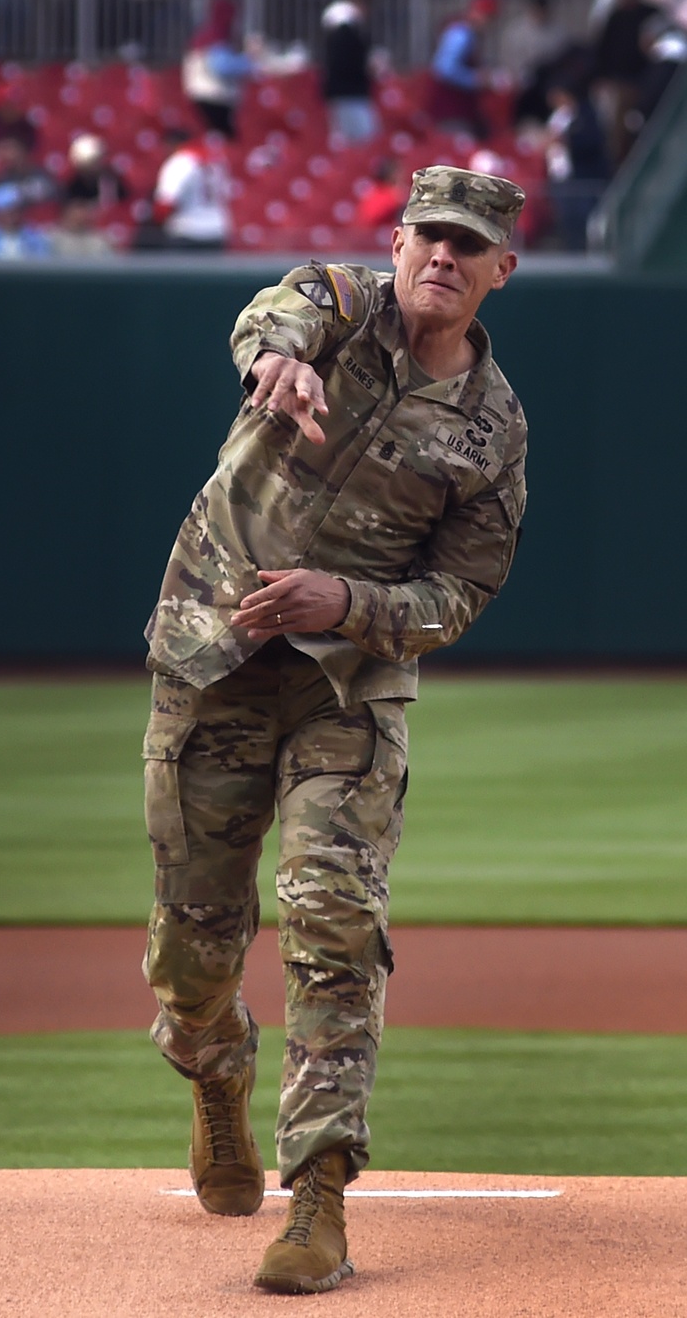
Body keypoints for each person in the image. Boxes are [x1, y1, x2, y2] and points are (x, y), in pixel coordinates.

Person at [141, 164, 527, 1296]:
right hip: (210, 656)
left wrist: (347, 604)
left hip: (344, 691)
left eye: (467, 246)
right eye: (427, 236)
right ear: (397, 242)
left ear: (501, 272)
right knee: (190, 950)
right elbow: (271, 315)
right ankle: (215, 1072)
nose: (441, 258)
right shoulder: (336, 306)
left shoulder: (493, 431)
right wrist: (277, 358)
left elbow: (458, 595)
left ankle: (317, 1199)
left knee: (333, 920)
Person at [591, 0, 658, 165]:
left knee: (643, 128)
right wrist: (601, 78)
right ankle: (618, 168)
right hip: (620, 83)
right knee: (617, 132)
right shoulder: (615, 17)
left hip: (647, 83)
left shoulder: (650, 13)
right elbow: (602, 51)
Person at [543, 78, 610, 250]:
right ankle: (569, 247)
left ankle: (585, 249)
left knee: (583, 217)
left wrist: (566, 140)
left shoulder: (586, 115)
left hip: (583, 178)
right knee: (566, 218)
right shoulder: (556, 118)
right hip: (560, 176)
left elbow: (593, 142)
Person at [142, 126, 232, 250]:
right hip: (217, 232)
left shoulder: (179, 162)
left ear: (172, 144)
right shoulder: (215, 162)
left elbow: (164, 205)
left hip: (187, 233)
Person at [182, 0, 258, 139]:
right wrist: (251, 58)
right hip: (214, 100)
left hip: (203, 97)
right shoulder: (215, 38)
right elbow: (222, 67)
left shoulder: (205, 36)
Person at [426, 0, 499, 138]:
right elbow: (443, 68)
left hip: (463, 110)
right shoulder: (461, 34)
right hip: (451, 110)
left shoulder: (471, 35)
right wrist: (475, 79)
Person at [320, 0, 380, 145]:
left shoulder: (337, 40)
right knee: (363, 138)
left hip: (341, 94)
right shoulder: (348, 37)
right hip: (352, 94)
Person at [0, 183, 53, 258]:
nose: (13, 216)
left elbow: (42, 259)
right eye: (8, 211)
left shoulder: (33, 232)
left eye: (17, 210)